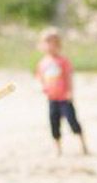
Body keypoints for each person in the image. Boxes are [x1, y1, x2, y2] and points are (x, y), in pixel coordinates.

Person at [35, 27, 89, 157]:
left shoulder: (63, 61)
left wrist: (70, 92)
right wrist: (43, 88)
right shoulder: (43, 63)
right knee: (54, 123)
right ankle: (58, 149)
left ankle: (83, 146)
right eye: (47, 43)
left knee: (72, 122)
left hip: (65, 98)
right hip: (52, 99)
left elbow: (68, 77)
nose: (50, 46)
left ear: (58, 45)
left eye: (53, 43)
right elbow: (41, 78)